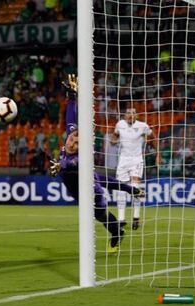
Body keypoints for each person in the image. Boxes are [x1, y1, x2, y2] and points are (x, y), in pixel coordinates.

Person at [49, 75, 144, 253]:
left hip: (92, 192)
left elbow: (70, 164)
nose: (72, 143)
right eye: (72, 139)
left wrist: (60, 165)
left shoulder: (80, 158)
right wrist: (72, 96)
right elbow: (70, 116)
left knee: (101, 216)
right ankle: (131, 191)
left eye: (77, 143)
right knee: (101, 181)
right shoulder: (72, 132)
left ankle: (117, 233)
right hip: (80, 186)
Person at [110, 107, 160, 230]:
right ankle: (121, 219)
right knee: (121, 188)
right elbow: (115, 135)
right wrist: (113, 140)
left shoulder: (142, 126)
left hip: (137, 160)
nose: (130, 115)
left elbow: (153, 137)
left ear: (136, 115)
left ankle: (136, 217)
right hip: (123, 160)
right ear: (125, 115)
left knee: (135, 188)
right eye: (128, 113)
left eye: (133, 113)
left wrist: (158, 153)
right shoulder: (120, 124)